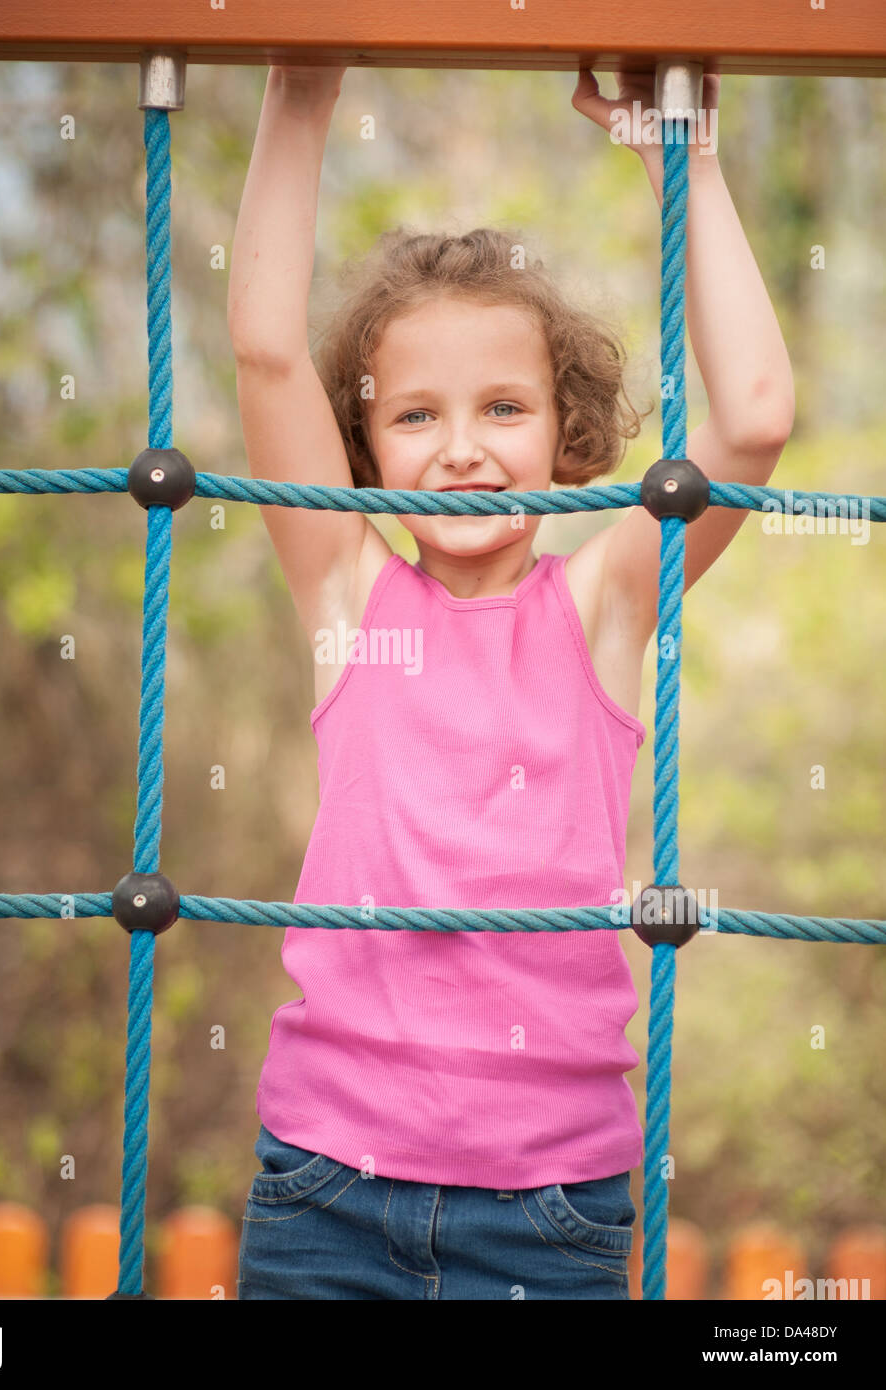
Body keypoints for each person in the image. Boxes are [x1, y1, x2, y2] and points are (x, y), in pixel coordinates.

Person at [226, 62, 794, 1299]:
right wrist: (303, 90)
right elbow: (267, 356)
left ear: (567, 436)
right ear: (362, 451)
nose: (465, 449)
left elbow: (750, 419)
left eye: (502, 406)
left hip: (550, 1215)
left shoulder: (600, 608)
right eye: (415, 418)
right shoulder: (348, 597)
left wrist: (679, 159)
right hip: (326, 1188)